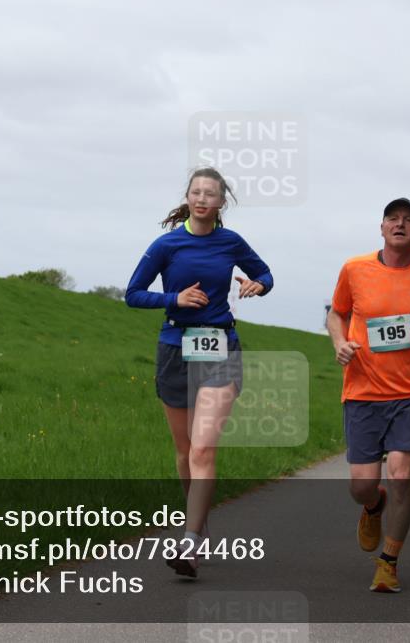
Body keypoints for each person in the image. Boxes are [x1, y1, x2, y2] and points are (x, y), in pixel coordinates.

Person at [125, 167, 273, 578]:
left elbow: (265, 273)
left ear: (222, 202)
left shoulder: (231, 242)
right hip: (175, 348)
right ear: (188, 197)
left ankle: (189, 542)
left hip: (220, 348)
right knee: (184, 451)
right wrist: (175, 298)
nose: (203, 198)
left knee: (203, 449)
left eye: (211, 193)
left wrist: (258, 285)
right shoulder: (166, 245)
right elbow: (132, 294)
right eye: (197, 192)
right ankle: (199, 521)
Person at [326, 197, 410, 593]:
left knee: (401, 475)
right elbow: (337, 314)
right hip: (363, 390)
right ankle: (372, 505)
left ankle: (389, 561)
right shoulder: (354, 269)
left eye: (409, 220)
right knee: (361, 485)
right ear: (381, 227)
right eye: (393, 219)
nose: (400, 224)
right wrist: (339, 343)